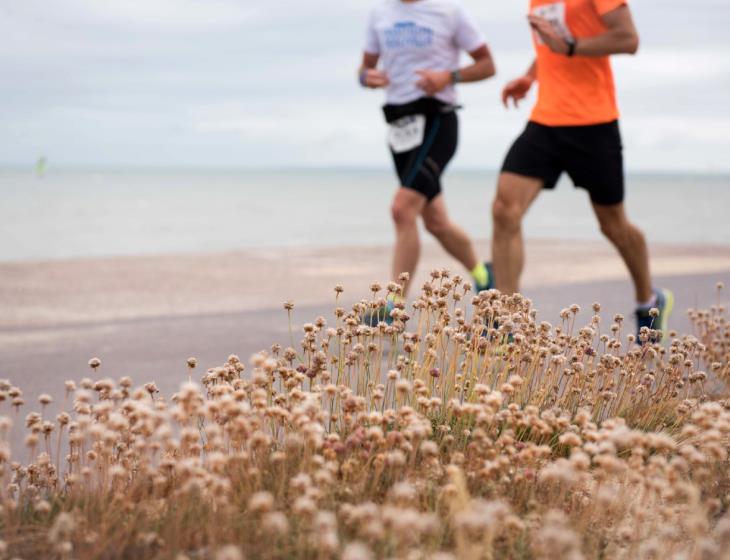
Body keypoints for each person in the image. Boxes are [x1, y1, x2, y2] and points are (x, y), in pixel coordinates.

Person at [494, 0, 673, 340]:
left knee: (613, 225)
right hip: (546, 119)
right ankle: (506, 323)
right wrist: (531, 76)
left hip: (594, 123)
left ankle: (648, 299)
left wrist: (572, 47)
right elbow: (554, 43)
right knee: (504, 209)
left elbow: (627, 38)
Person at [359, 0, 496, 322]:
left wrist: (448, 76)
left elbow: (487, 65)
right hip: (399, 128)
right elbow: (363, 70)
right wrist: (368, 78)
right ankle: (482, 275)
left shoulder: (449, 12)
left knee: (402, 208)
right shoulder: (380, 14)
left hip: (437, 121)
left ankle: (392, 307)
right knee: (435, 221)